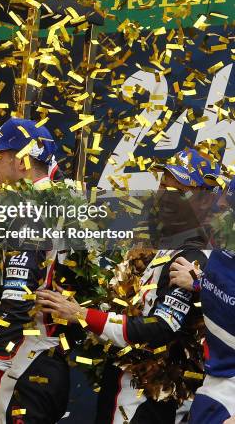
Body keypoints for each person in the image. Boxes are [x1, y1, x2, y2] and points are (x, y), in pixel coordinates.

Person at [37, 148, 220, 424]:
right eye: (163, 185)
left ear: (204, 201)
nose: (165, 196)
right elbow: (127, 310)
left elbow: (161, 328)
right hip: (122, 387)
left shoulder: (194, 257)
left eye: (180, 190)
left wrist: (82, 315)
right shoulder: (156, 243)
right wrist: (77, 308)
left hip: (153, 398)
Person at [0, 117, 71, 424]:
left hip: (23, 362)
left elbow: (16, 301)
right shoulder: (60, 203)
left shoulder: (28, 212)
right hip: (50, 359)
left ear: (22, 160)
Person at [169, 176, 235, 424]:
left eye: (229, 205)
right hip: (213, 387)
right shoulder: (225, 245)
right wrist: (199, 282)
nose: (218, 205)